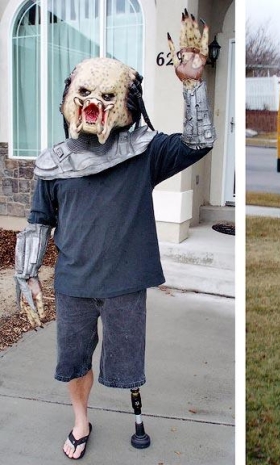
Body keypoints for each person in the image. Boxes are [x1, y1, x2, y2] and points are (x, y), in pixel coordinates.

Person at [14, 10, 216, 460]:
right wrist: (27, 270)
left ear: (125, 100)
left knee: (125, 363)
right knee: (73, 359)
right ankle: (81, 420)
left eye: (106, 95)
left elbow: (199, 142)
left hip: (124, 283)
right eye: (85, 93)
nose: (94, 104)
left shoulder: (144, 151)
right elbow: (38, 217)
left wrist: (192, 84)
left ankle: (109, 405)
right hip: (74, 282)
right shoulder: (54, 161)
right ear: (70, 97)